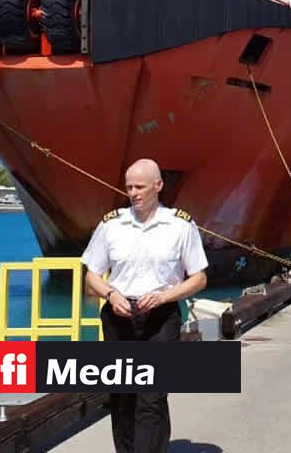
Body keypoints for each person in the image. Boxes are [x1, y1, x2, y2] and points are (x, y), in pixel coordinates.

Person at [82, 159, 208, 453]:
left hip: (161, 317)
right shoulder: (111, 225)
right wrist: (111, 294)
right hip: (118, 316)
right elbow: (91, 274)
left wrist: (165, 297)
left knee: (152, 397)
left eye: (140, 186)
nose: (133, 193)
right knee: (122, 397)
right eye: (129, 187)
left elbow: (199, 277)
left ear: (158, 186)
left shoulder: (180, 225)